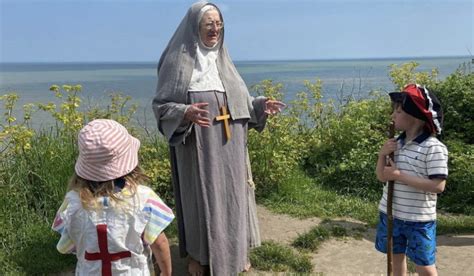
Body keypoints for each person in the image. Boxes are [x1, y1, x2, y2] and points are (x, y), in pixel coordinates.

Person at [152, 2, 285, 275]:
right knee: (201, 196)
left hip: (230, 145)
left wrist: (260, 105)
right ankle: (199, 256)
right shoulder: (176, 62)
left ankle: (236, 251)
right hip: (197, 145)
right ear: (194, 27)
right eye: (209, 24)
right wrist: (185, 112)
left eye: (219, 24)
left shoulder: (224, 60)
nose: (215, 29)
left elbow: (240, 101)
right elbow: (161, 107)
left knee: (233, 195)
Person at [52, 119, 175, 276]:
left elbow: (67, 245)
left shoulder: (72, 203)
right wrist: (166, 272)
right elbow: (160, 243)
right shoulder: (143, 199)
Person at [375, 84, 448, 276]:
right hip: (391, 213)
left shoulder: (434, 148)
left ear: (415, 116)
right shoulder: (395, 144)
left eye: (398, 111)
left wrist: (400, 176)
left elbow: (438, 186)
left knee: (424, 266)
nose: (393, 116)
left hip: (419, 219)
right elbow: (382, 176)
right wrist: (382, 154)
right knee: (395, 257)